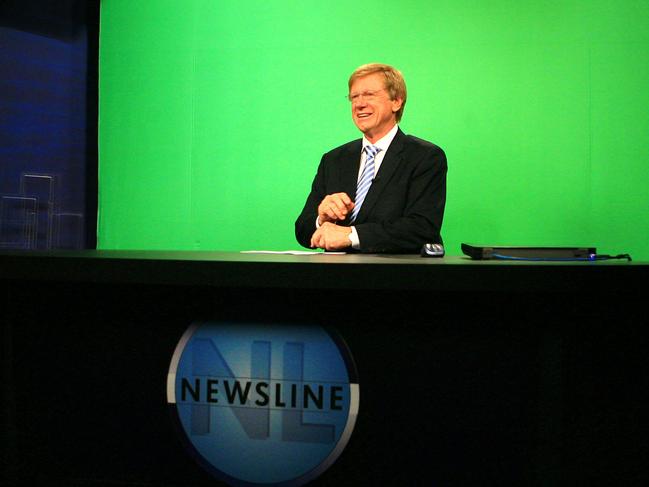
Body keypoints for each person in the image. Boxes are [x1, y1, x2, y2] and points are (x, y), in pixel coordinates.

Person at [295, 63, 447, 253]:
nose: (359, 104)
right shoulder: (334, 159)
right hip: (336, 277)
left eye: (369, 95)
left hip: (396, 276)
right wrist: (322, 219)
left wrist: (351, 235)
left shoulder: (424, 157)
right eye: (354, 97)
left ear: (397, 101)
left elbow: (422, 228)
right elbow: (302, 230)